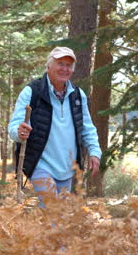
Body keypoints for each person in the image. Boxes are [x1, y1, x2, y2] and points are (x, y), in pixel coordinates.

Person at [8, 46, 102, 206]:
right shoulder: (32, 92)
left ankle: (41, 232)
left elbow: (87, 127)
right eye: (60, 64)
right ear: (49, 66)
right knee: (53, 210)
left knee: (59, 217)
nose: (65, 69)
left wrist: (94, 151)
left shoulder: (78, 95)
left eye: (69, 65)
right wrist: (19, 132)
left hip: (67, 168)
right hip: (40, 164)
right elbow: (15, 125)